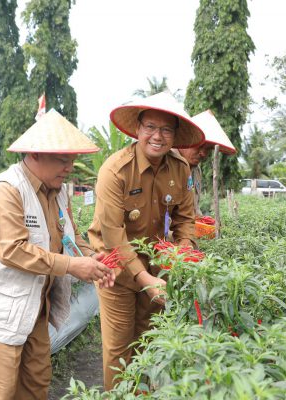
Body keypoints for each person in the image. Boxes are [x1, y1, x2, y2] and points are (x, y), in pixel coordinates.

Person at [0, 109, 115, 400]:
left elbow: (70, 237)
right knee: (1, 391)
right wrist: (72, 266)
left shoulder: (60, 191)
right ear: (35, 154)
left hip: (34, 309)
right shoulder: (5, 191)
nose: (70, 166)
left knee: (37, 383)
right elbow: (12, 251)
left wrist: (91, 257)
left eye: (72, 159)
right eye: (62, 159)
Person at [87, 92, 205, 390]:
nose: (158, 136)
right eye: (151, 127)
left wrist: (183, 253)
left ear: (175, 135)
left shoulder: (180, 168)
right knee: (119, 348)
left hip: (156, 267)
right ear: (137, 129)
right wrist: (142, 277)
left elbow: (184, 219)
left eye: (166, 130)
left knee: (149, 340)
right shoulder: (115, 171)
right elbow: (112, 232)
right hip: (115, 268)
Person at [176, 110, 236, 216]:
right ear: (184, 139)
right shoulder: (164, 163)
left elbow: (194, 208)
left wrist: (204, 222)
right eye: (198, 145)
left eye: (208, 149)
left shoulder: (196, 170)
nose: (203, 154)